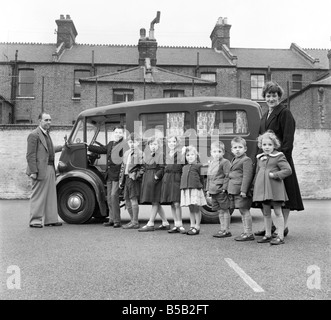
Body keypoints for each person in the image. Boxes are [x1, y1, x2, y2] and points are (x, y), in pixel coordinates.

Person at [254, 81, 304, 238]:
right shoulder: (265, 115)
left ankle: (284, 227)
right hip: (267, 161)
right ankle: (273, 226)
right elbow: (261, 139)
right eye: (268, 95)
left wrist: (278, 158)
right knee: (268, 196)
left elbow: (288, 140)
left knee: (284, 195)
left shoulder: (285, 113)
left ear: (279, 96)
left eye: (274, 95)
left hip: (280, 161)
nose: (271, 98)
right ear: (264, 97)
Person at [253, 131, 292, 245]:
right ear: (261, 145)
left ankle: (280, 236)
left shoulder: (279, 156)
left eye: (270, 145)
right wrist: (254, 186)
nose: (267, 147)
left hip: (275, 189)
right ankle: (268, 234)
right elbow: (257, 173)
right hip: (263, 190)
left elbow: (288, 170)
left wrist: (275, 175)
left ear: (274, 145)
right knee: (266, 212)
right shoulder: (260, 157)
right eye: (264, 145)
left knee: (277, 212)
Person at [26, 112, 63, 228]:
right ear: (39, 121)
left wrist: (63, 147)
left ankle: (50, 220)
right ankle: (35, 221)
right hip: (40, 169)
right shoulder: (34, 135)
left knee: (51, 195)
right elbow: (30, 155)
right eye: (46, 120)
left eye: (50, 120)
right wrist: (33, 172)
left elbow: (50, 150)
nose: (49, 122)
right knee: (38, 195)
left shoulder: (47, 134)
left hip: (50, 168)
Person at [88, 125, 126, 228]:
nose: (118, 134)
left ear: (123, 134)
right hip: (109, 174)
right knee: (109, 198)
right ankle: (112, 219)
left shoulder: (123, 144)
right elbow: (102, 149)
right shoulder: (110, 144)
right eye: (116, 132)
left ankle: (117, 220)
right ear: (114, 133)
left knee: (114, 197)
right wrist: (88, 146)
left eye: (120, 132)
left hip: (117, 175)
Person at [138, 136, 170, 232]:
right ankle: (165, 222)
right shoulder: (148, 154)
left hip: (156, 180)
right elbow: (144, 166)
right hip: (148, 178)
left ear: (159, 145)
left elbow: (163, 167)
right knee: (155, 201)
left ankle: (150, 223)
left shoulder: (160, 154)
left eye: (155, 144)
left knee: (155, 201)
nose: (153, 146)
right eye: (151, 144)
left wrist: (157, 176)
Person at [227, 137, 255, 241]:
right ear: (231, 150)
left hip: (241, 191)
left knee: (244, 211)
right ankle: (245, 232)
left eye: (240, 147)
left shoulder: (246, 160)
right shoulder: (235, 159)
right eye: (235, 147)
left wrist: (244, 190)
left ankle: (248, 233)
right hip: (235, 190)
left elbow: (247, 176)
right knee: (242, 211)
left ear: (245, 149)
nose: (237, 149)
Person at [160, 135, 185, 234]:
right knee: (172, 203)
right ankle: (176, 224)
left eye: (174, 142)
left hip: (176, 178)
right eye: (170, 142)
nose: (172, 144)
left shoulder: (180, 153)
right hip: (168, 178)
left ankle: (180, 225)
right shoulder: (166, 154)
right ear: (167, 143)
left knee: (177, 203)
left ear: (177, 142)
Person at [206, 141, 231, 238]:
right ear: (211, 152)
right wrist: (207, 189)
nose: (217, 154)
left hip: (221, 190)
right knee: (219, 211)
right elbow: (209, 177)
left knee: (225, 210)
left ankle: (227, 230)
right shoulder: (212, 162)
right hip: (213, 191)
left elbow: (227, 175)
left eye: (219, 151)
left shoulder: (225, 162)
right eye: (214, 151)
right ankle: (222, 229)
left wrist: (224, 188)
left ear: (223, 152)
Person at [119, 133, 144, 229]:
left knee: (133, 198)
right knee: (126, 199)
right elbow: (122, 167)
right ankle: (132, 220)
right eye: (130, 142)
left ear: (138, 143)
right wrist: (121, 180)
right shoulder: (126, 153)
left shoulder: (140, 153)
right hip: (126, 178)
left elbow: (143, 168)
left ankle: (135, 222)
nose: (132, 144)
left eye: (135, 142)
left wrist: (136, 175)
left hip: (133, 178)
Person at [180, 145, 207, 235]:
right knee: (190, 208)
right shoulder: (184, 167)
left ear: (196, 156)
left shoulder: (199, 166)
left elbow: (202, 178)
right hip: (187, 189)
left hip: (196, 189)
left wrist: (203, 189)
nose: (190, 157)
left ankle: (197, 226)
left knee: (196, 208)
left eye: (192, 154)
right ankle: (192, 225)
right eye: (187, 155)